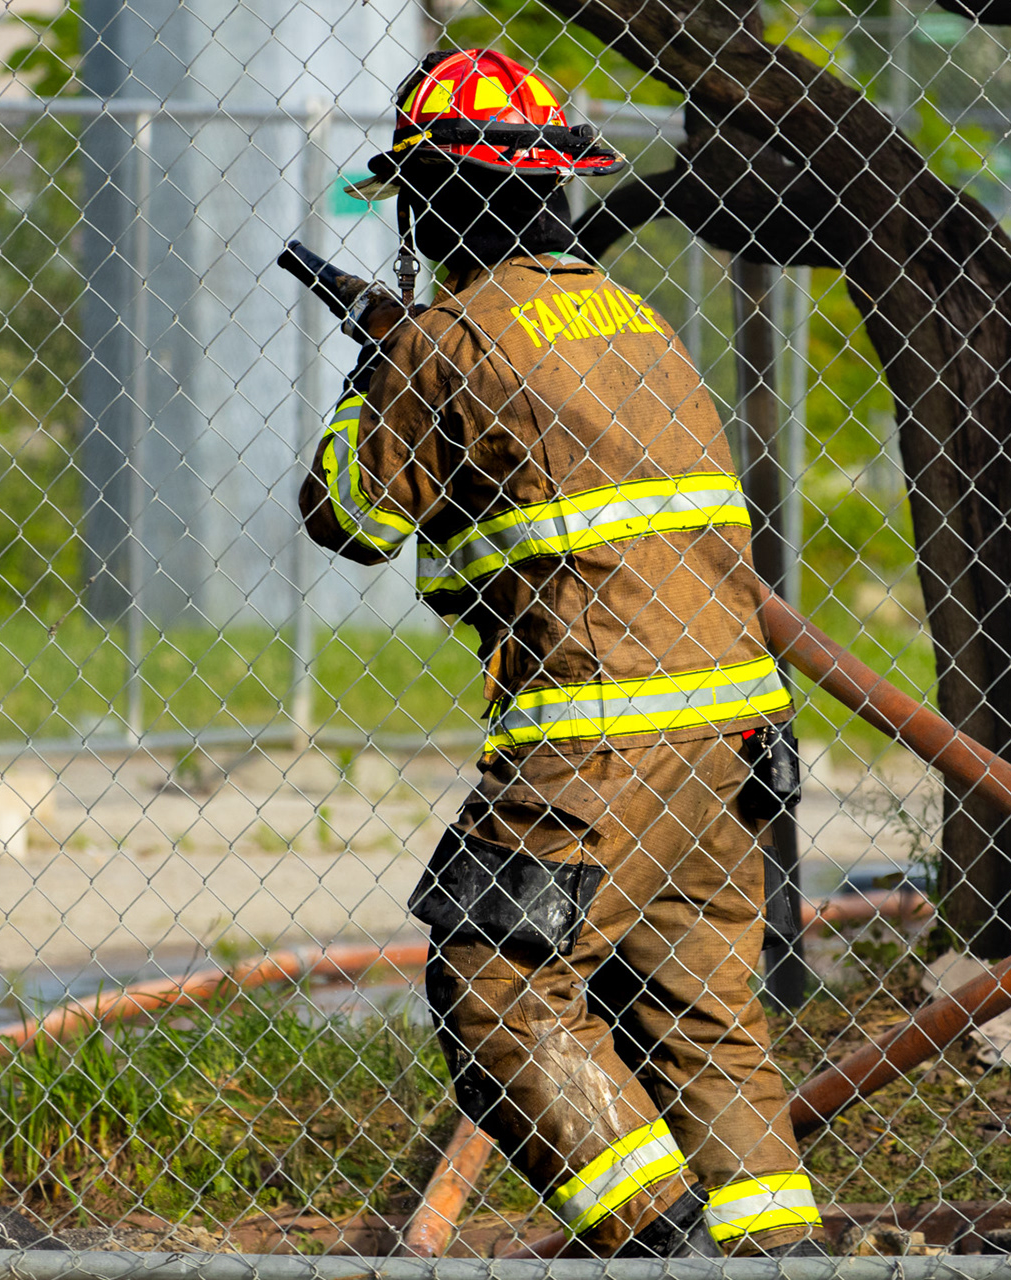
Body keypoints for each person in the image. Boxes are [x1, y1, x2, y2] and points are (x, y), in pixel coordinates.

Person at [297, 49, 825, 1259]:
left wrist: (377, 363)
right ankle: (772, 1252)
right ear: (553, 191)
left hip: (597, 735)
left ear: (429, 203)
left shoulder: (453, 335)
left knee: (493, 988)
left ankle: (662, 1246)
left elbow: (352, 516)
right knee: (702, 1022)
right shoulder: (640, 319)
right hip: (734, 735)